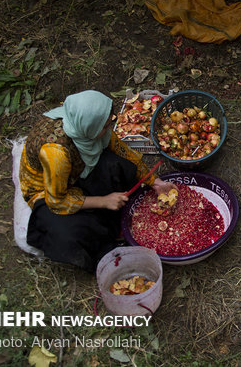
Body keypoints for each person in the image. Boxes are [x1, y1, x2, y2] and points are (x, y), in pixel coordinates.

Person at [19, 90, 174, 272]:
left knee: (117, 165)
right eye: (105, 125)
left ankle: (112, 220)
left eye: (110, 122)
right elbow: (57, 201)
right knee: (70, 232)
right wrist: (103, 201)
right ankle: (106, 245)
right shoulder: (56, 153)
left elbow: (123, 152)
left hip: (78, 173)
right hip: (48, 191)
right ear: (90, 128)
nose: (109, 128)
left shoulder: (84, 123)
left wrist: (154, 182)